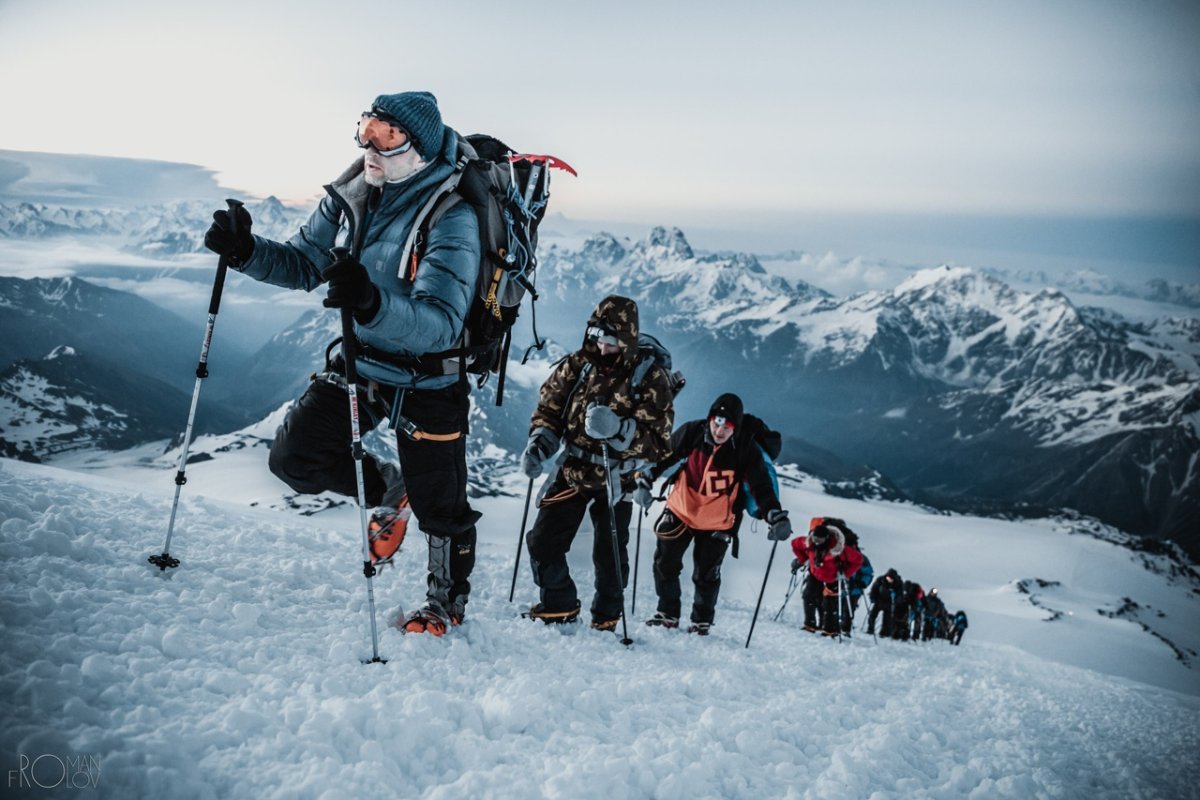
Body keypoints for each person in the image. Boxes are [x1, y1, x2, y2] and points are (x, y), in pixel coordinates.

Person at [203, 91, 481, 636]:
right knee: (294, 457)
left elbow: (442, 321)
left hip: (431, 378)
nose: (369, 145)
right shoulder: (354, 192)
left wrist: (372, 302)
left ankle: (444, 604)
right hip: (365, 361)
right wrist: (246, 251)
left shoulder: (454, 215)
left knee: (441, 508)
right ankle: (387, 487)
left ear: (419, 148)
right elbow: (306, 261)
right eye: (366, 128)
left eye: (387, 135)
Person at [520, 296, 674, 630]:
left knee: (610, 553)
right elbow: (551, 406)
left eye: (612, 341)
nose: (602, 347)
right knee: (542, 540)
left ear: (627, 341)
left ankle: (606, 615)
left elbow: (658, 442)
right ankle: (558, 602)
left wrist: (620, 430)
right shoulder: (579, 364)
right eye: (598, 336)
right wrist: (541, 443)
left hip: (617, 477)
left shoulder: (650, 378)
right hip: (574, 467)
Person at [638, 393, 792, 636]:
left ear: (736, 428)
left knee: (706, 574)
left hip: (717, 520)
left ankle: (701, 622)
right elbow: (664, 456)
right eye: (717, 422)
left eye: (727, 426)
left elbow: (760, 486)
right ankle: (667, 614)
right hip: (681, 508)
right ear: (710, 419)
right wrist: (646, 478)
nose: (720, 430)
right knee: (665, 564)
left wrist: (774, 514)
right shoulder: (693, 431)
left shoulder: (745, 448)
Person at [790, 517, 864, 636]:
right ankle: (810, 624)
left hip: (833, 577)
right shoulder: (809, 542)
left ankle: (829, 630)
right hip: (816, 573)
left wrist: (846, 574)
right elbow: (794, 544)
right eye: (815, 538)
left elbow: (858, 559)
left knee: (829, 603)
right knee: (808, 596)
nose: (816, 541)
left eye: (819, 539)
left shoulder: (840, 549)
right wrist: (805, 560)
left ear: (827, 538)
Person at [867, 568, 903, 638]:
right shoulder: (880, 579)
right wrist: (872, 597)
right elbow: (874, 589)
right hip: (879, 600)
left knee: (887, 619)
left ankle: (884, 633)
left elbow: (900, 595)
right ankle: (870, 629)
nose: (889, 579)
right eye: (888, 577)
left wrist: (896, 600)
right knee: (872, 615)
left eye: (891, 578)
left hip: (889, 603)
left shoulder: (898, 583)